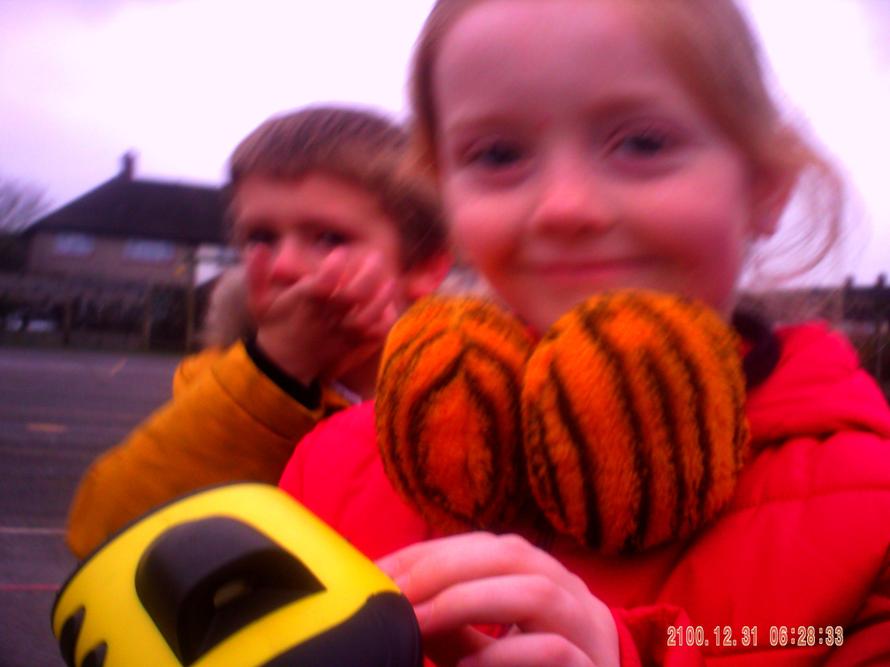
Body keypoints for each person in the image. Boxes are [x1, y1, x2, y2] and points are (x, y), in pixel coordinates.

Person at [278, 1, 890, 665]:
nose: (564, 206)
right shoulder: (334, 465)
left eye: (643, 143)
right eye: (498, 154)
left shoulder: (872, 519)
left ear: (765, 188)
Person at [65, 106, 450, 559]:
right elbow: (101, 533)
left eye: (329, 238)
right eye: (261, 238)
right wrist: (276, 372)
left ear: (423, 267)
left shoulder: (475, 389)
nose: (284, 266)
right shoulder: (220, 391)